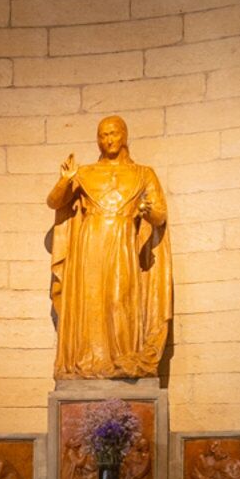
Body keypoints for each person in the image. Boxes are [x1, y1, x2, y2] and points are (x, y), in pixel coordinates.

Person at [45, 115, 172, 382]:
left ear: (124, 135)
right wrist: (64, 181)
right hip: (90, 243)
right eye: (102, 135)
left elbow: (159, 215)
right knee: (90, 302)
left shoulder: (143, 173)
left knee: (119, 299)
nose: (108, 140)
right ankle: (89, 360)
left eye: (113, 133)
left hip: (123, 243)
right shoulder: (85, 173)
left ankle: (123, 359)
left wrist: (148, 212)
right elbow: (54, 202)